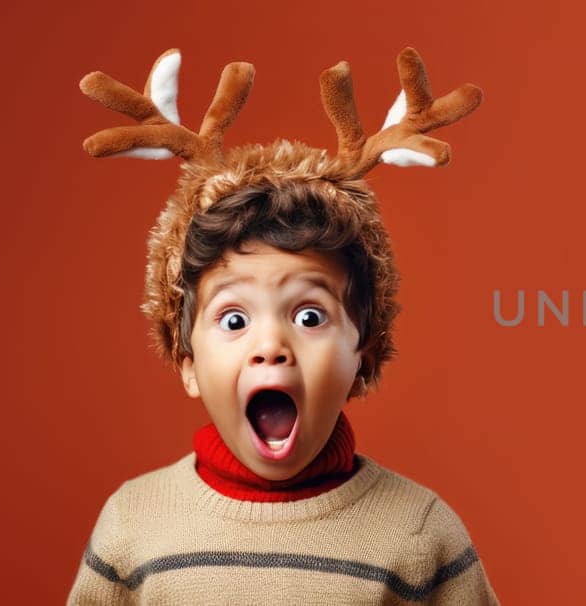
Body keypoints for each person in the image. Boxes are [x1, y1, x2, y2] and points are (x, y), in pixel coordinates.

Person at [66, 47, 498, 605]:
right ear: (188, 362)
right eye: (235, 319)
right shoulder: (133, 524)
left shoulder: (421, 534)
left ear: (362, 357)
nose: (271, 346)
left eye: (309, 316)